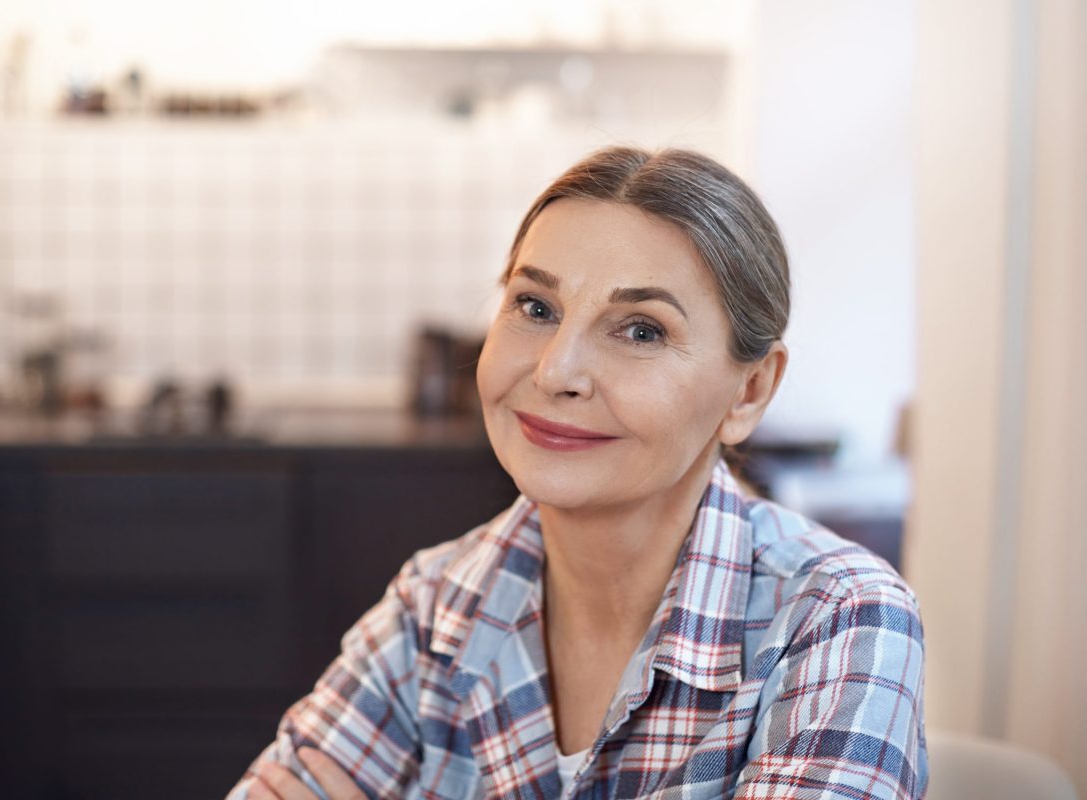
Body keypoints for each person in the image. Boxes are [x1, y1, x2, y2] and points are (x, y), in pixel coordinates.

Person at [226, 146, 928, 799]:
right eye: (535, 308)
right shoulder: (434, 608)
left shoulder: (838, 619)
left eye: (641, 330)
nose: (555, 370)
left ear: (748, 392)